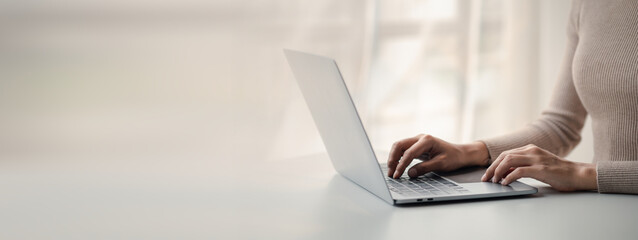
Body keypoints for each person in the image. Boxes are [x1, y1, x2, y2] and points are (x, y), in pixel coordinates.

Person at [386, 0, 638, 194]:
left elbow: (580, 169)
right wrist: (468, 152)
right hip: (603, 207)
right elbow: (560, 126)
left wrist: (582, 173)